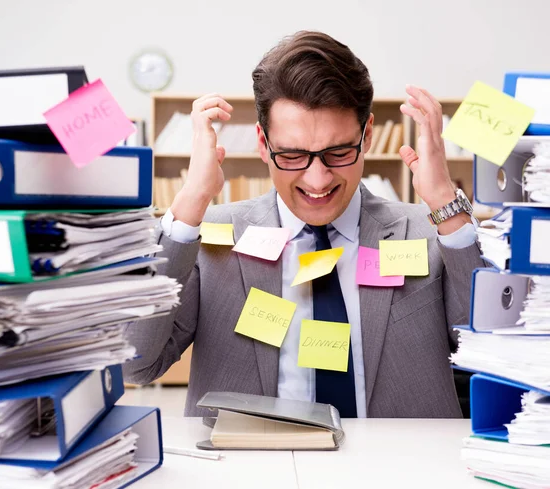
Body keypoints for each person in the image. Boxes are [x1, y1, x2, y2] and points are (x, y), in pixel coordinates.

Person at [124, 30, 485, 418]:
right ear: (263, 144)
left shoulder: (432, 232)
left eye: (338, 151)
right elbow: (137, 363)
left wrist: (447, 203)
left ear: (366, 137)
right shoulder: (211, 238)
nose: (318, 180)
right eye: (293, 155)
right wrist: (191, 200)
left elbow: (488, 353)